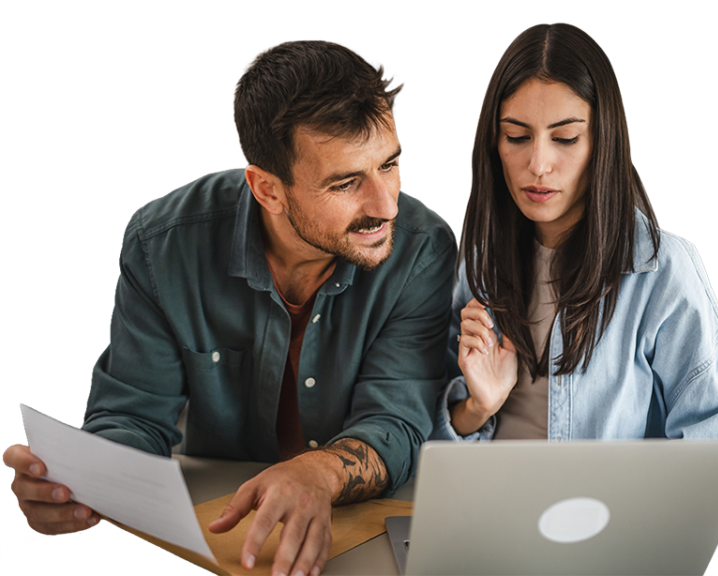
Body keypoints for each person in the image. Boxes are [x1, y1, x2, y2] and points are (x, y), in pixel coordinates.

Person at [3, 40, 456, 576]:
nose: (385, 205)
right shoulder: (161, 244)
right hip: (218, 533)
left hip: (365, 532)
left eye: (390, 164)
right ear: (267, 189)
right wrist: (83, 483)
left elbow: (398, 421)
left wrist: (317, 474)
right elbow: (132, 414)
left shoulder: (423, 247)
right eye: (346, 182)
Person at [432, 22, 718, 442]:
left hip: (617, 510)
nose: (538, 164)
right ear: (494, 143)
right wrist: (477, 407)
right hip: (491, 507)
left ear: (603, 142)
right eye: (517, 136)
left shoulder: (662, 272)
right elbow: (425, 444)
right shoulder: (477, 267)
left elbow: (714, 446)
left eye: (565, 138)